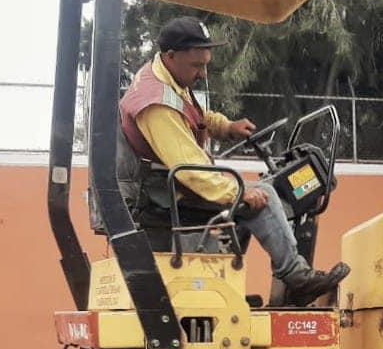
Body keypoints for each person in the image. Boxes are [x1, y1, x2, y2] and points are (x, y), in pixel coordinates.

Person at [119, 16, 350, 306]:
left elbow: (196, 115)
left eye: (205, 64)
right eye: (197, 66)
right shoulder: (155, 105)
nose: (203, 73)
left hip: (163, 187)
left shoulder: (166, 76)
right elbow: (191, 171)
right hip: (158, 196)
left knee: (249, 198)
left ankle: (225, 287)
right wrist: (236, 193)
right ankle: (296, 276)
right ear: (171, 56)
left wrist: (227, 127)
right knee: (262, 194)